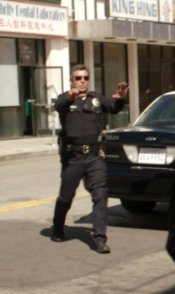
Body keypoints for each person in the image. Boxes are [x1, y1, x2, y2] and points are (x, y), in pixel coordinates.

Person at [51, 65, 128, 254]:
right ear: (72, 80)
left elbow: (112, 107)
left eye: (85, 77)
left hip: (94, 156)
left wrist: (121, 97)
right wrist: (71, 96)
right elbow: (58, 106)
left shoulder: (96, 99)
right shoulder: (65, 99)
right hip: (73, 157)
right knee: (66, 197)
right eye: (78, 78)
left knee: (100, 195)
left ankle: (100, 238)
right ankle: (58, 227)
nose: (82, 81)